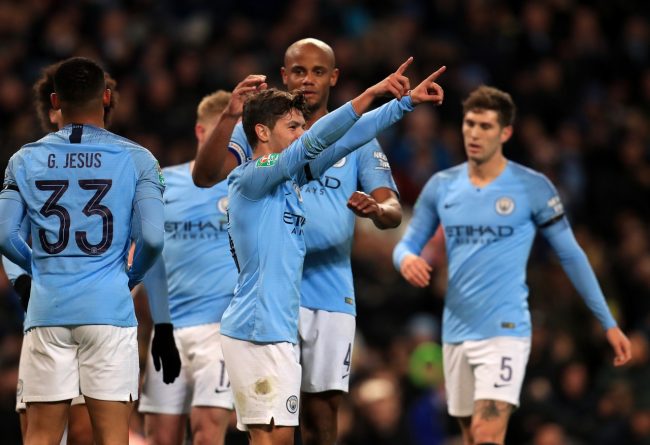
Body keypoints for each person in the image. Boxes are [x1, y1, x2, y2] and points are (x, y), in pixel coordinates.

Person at [201, 59, 445, 445]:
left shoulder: (288, 178)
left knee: (277, 438)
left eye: (303, 125)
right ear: (262, 132)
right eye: (293, 127)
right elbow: (315, 142)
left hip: (275, 327)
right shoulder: (252, 176)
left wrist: (404, 104)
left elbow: (348, 139)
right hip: (256, 327)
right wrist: (371, 93)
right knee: (272, 440)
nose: (302, 133)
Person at [392, 85, 632, 445]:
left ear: (505, 132)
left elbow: (571, 254)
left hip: (505, 329)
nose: (474, 133)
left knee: (487, 433)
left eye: (485, 126)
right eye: (469, 124)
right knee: (472, 436)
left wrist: (607, 322)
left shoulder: (532, 187)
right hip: (456, 330)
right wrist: (407, 259)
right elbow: (406, 244)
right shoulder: (442, 186)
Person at [0, 57, 180, 445]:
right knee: (112, 437)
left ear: (55, 100)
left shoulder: (23, 159)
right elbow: (152, 239)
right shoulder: (138, 159)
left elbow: (5, 235)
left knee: (40, 436)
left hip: (48, 311)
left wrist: (40, 270)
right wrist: (129, 277)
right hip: (108, 309)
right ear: (107, 97)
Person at [138, 80, 264, 445]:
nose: (228, 146)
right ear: (200, 131)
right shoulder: (162, 184)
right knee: (160, 438)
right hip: (168, 330)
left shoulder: (248, 185)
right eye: (221, 133)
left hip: (220, 329)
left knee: (207, 434)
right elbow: (143, 257)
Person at [11, 61, 121, 445]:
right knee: (41, 428)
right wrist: (23, 279)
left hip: (72, 308)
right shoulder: (33, 163)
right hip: (60, 309)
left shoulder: (28, 162)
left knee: (78, 429)